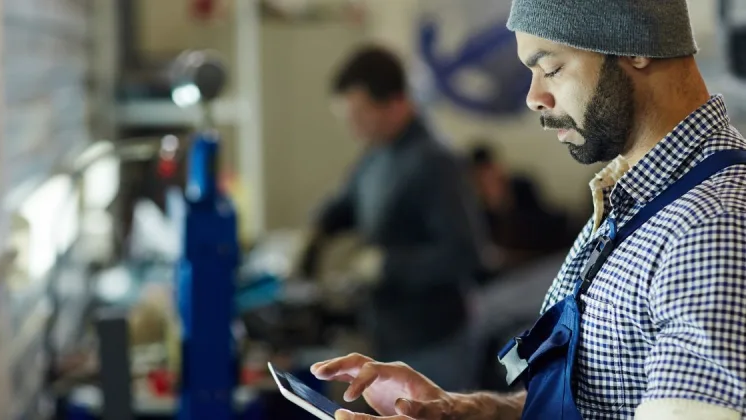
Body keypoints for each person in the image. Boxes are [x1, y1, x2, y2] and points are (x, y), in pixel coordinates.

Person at [310, 1, 746, 419]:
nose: (534, 98)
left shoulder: (710, 225)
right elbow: (605, 399)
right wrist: (470, 411)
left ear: (636, 45)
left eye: (552, 68)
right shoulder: (630, 196)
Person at [298, 45, 487, 391]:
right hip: (389, 337)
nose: (354, 128)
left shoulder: (435, 162)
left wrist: (387, 266)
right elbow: (346, 203)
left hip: (434, 344)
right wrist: (316, 230)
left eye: (360, 115)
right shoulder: (377, 153)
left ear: (396, 102)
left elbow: (465, 254)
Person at [469, 145, 576, 272]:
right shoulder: (476, 210)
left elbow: (541, 222)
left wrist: (506, 201)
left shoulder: (521, 186)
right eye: (483, 176)